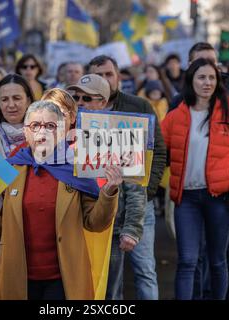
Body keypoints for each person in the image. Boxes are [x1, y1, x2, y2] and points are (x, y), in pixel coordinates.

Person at [0, 100, 121, 300]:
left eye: (50, 126)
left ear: (62, 132)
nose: (42, 132)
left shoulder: (76, 168)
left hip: (63, 276)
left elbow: (95, 223)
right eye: (35, 126)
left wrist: (109, 191)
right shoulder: (11, 168)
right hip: (18, 275)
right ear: (26, 132)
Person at [162, 58, 229, 300]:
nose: (207, 83)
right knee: (187, 261)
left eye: (212, 78)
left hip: (220, 197)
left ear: (218, 82)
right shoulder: (175, 116)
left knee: (217, 260)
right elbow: (159, 149)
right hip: (187, 199)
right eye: (201, 77)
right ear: (191, 80)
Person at [88, 56, 167, 300]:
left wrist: (148, 189)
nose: (104, 80)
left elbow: (160, 151)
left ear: (118, 77)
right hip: (101, 206)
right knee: (110, 276)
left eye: (108, 74)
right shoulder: (82, 110)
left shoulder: (139, 106)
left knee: (144, 270)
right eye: (97, 75)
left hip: (138, 205)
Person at [67, 74, 148, 300]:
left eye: (87, 98)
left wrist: (131, 229)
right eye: (76, 97)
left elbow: (136, 188)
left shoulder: (122, 133)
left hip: (110, 230)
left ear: (103, 102)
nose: (80, 102)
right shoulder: (63, 132)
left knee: (108, 293)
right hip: (72, 230)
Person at [0, 74, 34, 158]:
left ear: (28, 101)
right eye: (4, 99)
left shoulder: (46, 135)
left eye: (17, 98)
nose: (11, 105)